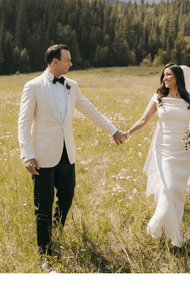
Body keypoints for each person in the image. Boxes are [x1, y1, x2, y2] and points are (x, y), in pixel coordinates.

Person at [18, 45, 125, 255]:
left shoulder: (71, 85)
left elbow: (89, 109)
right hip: (42, 156)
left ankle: (55, 231)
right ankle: (45, 252)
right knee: (44, 205)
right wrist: (28, 154)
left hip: (67, 153)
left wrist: (113, 131)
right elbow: (23, 122)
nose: (71, 63)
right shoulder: (33, 86)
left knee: (66, 197)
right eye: (67, 59)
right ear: (55, 61)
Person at [124, 63, 190, 247]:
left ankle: (162, 227)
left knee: (177, 192)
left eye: (168, 75)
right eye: (163, 75)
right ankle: (173, 235)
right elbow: (144, 119)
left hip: (183, 152)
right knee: (167, 187)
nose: (164, 78)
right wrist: (128, 132)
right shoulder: (159, 98)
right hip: (163, 150)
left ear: (177, 77)